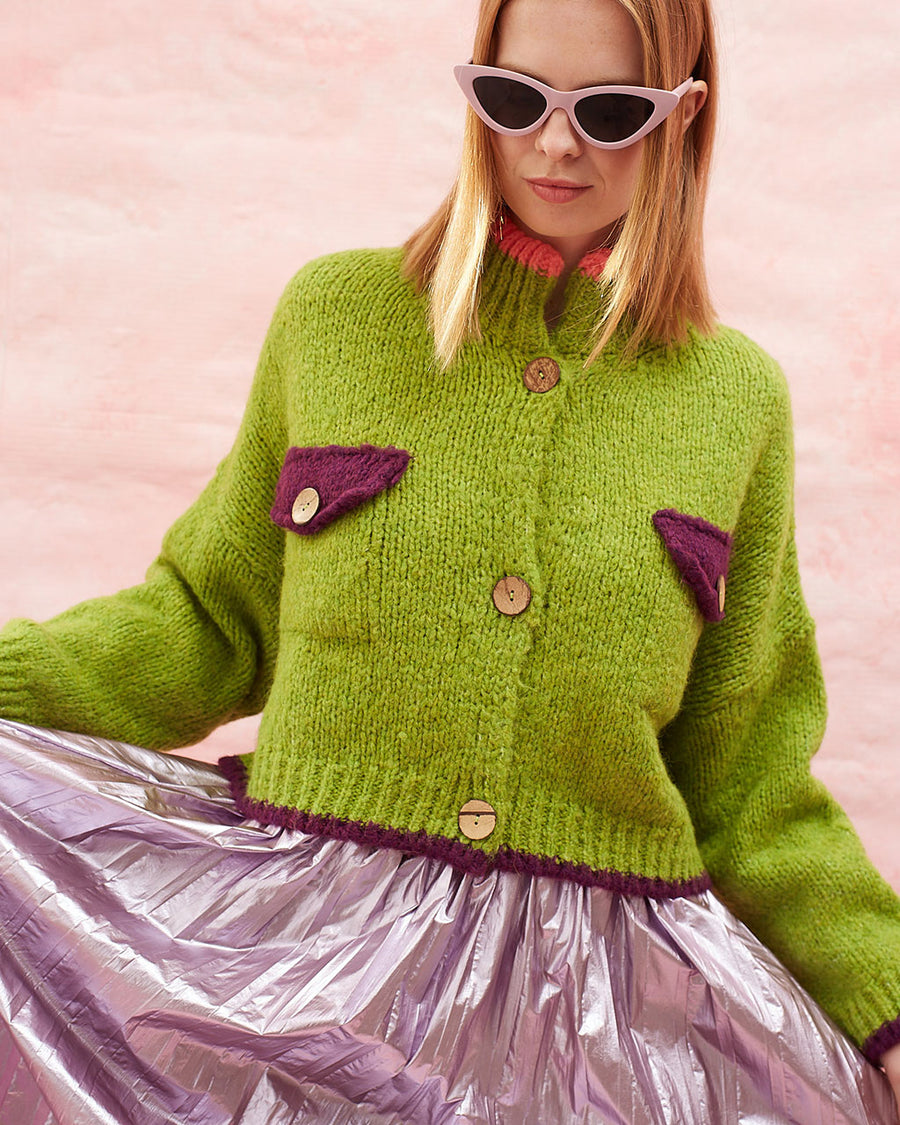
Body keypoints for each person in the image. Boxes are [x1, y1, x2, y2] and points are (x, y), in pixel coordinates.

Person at [0, 0, 898, 1121]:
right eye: (516, 101)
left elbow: (750, 779)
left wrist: (887, 1007)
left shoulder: (736, 400)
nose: (555, 145)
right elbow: (208, 624)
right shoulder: (339, 318)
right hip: (310, 983)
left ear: (682, 116)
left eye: (610, 113)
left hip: (597, 1034)